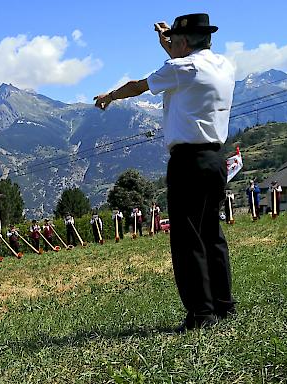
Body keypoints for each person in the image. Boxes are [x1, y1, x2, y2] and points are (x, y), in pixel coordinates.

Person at [95, 13, 236, 331]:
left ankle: (201, 314)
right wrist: (169, 45)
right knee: (212, 234)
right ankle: (224, 305)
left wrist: (109, 97)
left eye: (176, 40)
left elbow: (138, 86)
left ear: (184, 41)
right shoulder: (225, 66)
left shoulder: (180, 68)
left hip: (188, 160)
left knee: (188, 238)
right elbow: (187, 69)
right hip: (216, 159)